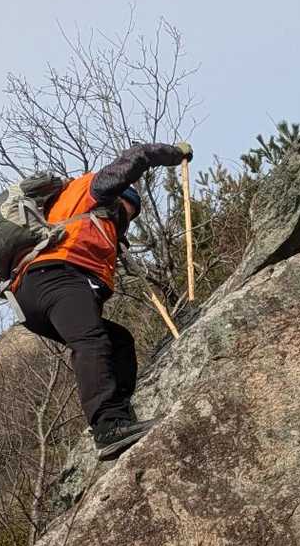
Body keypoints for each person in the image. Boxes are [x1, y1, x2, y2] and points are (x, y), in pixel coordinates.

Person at [13, 139, 192, 459]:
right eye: (126, 213)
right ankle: (108, 425)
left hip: (36, 293)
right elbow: (138, 156)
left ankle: (119, 417)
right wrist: (175, 154)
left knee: (118, 341)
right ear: (118, 196)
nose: (125, 222)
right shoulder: (94, 188)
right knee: (92, 341)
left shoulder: (86, 219)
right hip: (55, 276)